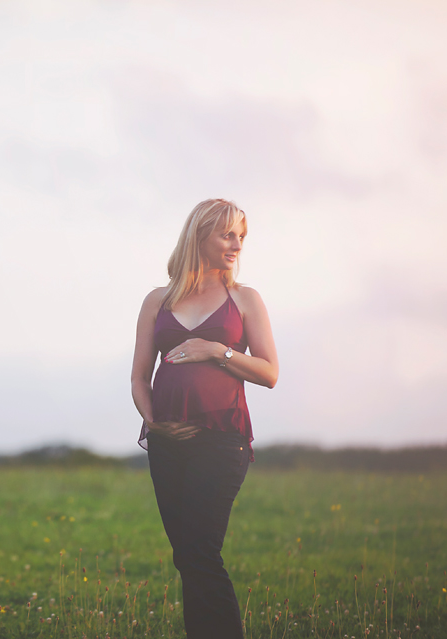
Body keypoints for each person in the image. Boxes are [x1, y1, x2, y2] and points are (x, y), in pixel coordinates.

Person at [131, 199, 279, 639]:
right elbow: (139, 376)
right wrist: (153, 422)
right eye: (227, 235)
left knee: (200, 551)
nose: (236, 245)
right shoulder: (157, 300)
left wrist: (218, 351)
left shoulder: (244, 299)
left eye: (241, 237)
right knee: (187, 554)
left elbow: (269, 373)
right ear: (200, 236)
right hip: (166, 443)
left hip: (221, 441)